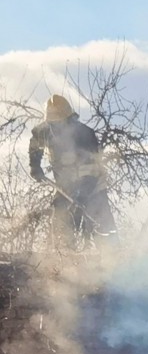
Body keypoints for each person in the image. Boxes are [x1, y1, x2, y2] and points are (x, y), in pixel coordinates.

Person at [29, 95, 117, 248]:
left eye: (59, 123)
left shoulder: (85, 136)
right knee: (61, 222)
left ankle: (115, 257)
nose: (55, 127)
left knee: (101, 223)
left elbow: (91, 169)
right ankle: (64, 259)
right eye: (52, 123)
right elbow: (35, 144)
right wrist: (35, 166)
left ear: (69, 119)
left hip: (93, 186)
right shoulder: (44, 131)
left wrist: (82, 194)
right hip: (66, 187)